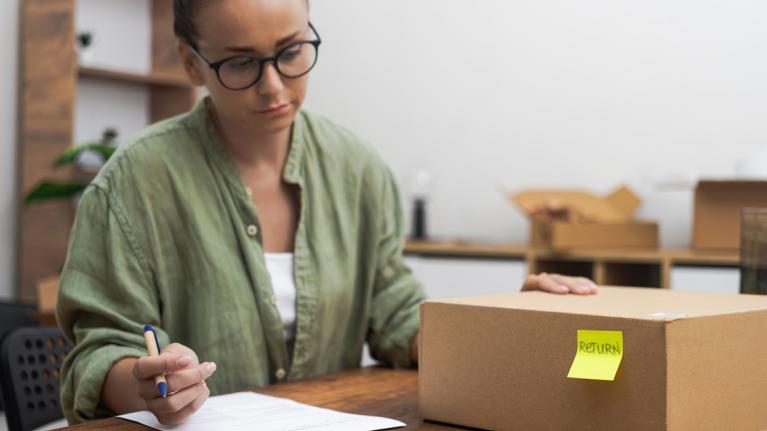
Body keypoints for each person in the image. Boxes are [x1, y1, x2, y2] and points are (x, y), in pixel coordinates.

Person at [56, 0, 598, 425]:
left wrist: (504, 328)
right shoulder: (132, 185)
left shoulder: (357, 168)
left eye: (291, 51)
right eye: (241, 62)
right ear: (192, 63)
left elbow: (395, 312)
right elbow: (97, 355)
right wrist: (152, 385)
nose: (273, 86)